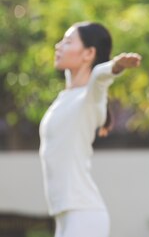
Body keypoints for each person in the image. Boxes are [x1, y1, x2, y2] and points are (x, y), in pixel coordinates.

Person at [39, 22, 142, 237]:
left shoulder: (90, 98)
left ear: (89, 53)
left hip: (83, 214)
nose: (58, 46)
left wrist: (116, 66)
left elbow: (98, 78)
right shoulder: (64, 99)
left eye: (67, 42)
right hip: (64, 215)